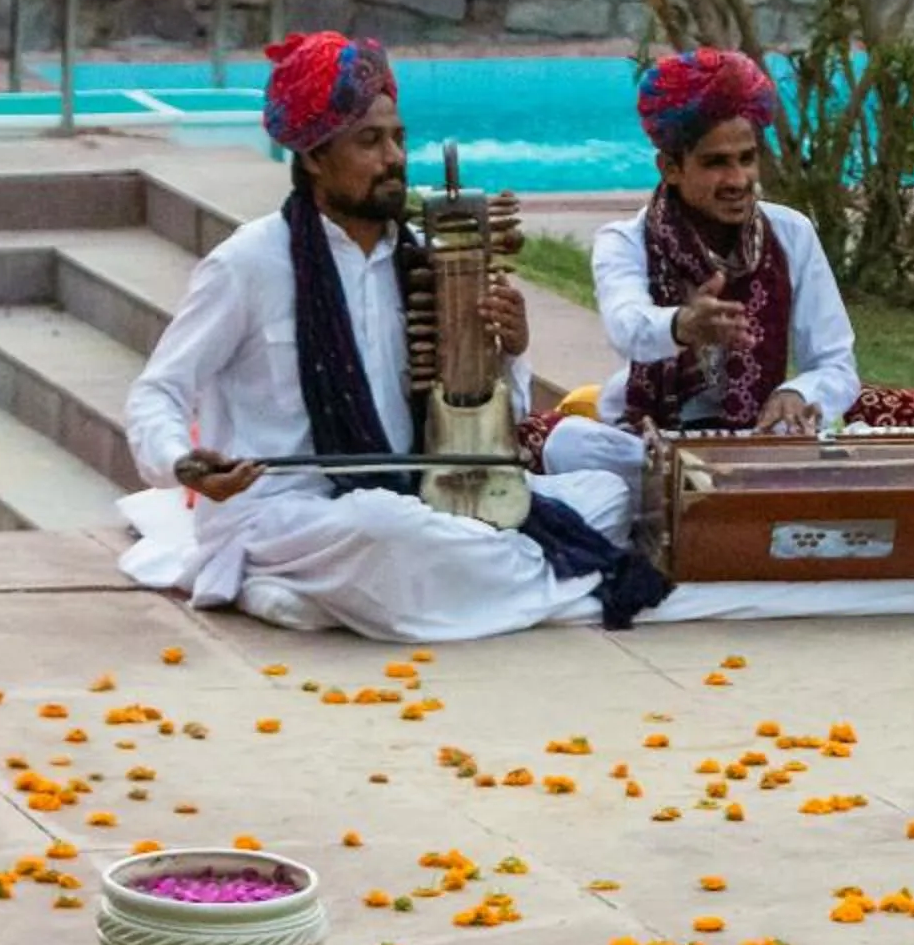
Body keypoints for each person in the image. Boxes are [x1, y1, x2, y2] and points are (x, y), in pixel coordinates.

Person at [124, 32, 668, 640]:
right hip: (290, 513)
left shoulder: (426, 265)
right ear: (313, 156)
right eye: (369, 141)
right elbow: (158, 393)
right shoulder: (249, 264)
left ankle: (464, 580)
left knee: (608, 494)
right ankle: (546, 578)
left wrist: (509, 351)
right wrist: (183, 463)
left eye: (399, 139)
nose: (394, 158)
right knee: (385, 527)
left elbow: (489, 427)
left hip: (424, 487)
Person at [533, 48, 860, 479]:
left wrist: (796, 391)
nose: (738, 180)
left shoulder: (790, 233)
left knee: (837, 455)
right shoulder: (624, 241)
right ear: (670, 167)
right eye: (715, 163)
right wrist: (682, 326)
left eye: (746, 158)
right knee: (570, 444)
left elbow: (836, 364)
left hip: (754, 442)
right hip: (649, 442)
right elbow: (626, 328)